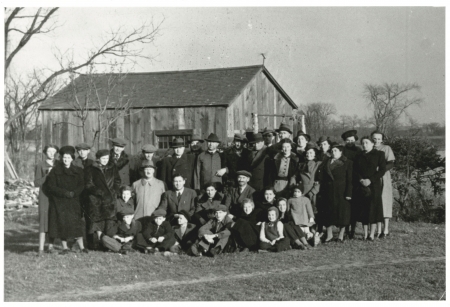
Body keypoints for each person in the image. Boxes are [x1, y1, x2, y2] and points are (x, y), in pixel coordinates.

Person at [46, 146, 87, 254]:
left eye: (68, 157)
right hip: (60, 201)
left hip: (74, 201)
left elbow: (81, 185)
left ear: (72, 158)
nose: (66, 159)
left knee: (76, 224)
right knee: (62, 223)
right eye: (64, 157)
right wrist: (64, 193)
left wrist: (74, 193)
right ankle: (65, 247)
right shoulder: (55, 171)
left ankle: (82, 247)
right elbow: (51, 186)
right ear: (61, 158)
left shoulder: (78, 171)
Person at [85, 149, 121, 248]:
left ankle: (107, 243)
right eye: (103, 158)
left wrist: (114, 190)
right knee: (98, 223)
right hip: (96, 200)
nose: (105, 160)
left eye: (107, 158)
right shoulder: (91, 169)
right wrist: (98, 192)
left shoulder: (112, 167)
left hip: (110, 199)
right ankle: (97, 242)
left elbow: (117, 180)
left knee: (109, 222)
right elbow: (88, 184)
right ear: (98, 158)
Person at [317, 143, 353, 243]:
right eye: (332, 151)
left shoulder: (347, 163)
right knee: (328, 212)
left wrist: (348, 193)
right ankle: (329, 234)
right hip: (327, 190)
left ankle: (341, 235)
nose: (333, 153)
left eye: (336, 151)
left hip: (341, 191)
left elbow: (350, 180)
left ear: (341, 152)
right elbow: (321, 176)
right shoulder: (326, 162)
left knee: (342, 213)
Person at [353, 136, 386, 241]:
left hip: (374, 185)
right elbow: (355, 170)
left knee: (373, 210)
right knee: (364, 209)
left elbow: (382, 170)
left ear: (372, 144)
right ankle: (365, 233)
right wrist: (361, 180)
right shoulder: (358, 155)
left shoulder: (379, 154)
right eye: (363, 143)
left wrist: (370, 180)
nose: (364, 145)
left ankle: (372, 234)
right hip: (362, 185)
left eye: (367, 143)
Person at [34, 144, 59, 255]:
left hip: (56, 196)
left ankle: (51, 247)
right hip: (44, 196)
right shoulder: (40, 164)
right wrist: (47, 175)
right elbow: (36, 182)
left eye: (54, 151)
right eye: (49, 151)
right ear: (45, 153)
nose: (52, 153)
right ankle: (40, 249)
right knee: (44, 221)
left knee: (53, 221)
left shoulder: (59, 164)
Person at [372, 131, 395, 238]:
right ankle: (378, 230)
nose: (376, 141)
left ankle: (385, 230)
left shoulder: (386, 148)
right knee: (376, 202)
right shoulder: (369, 148)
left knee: (384, 201)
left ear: (382, 140)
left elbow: (390, 163)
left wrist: (380, 169)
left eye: (378, 139)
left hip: (383, 177)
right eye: (374, 138)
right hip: (373, 178)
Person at [341, 130, 362, 239]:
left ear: (355, 140)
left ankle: (353, 230)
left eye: (352, 140)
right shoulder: (342, 151)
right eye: (347, 140)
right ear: (344, 141)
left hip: (355, 180)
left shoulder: (358, 150)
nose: (350, 142)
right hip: (344, 180)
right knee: (345, 206)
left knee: (354, 206)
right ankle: (345, 229)